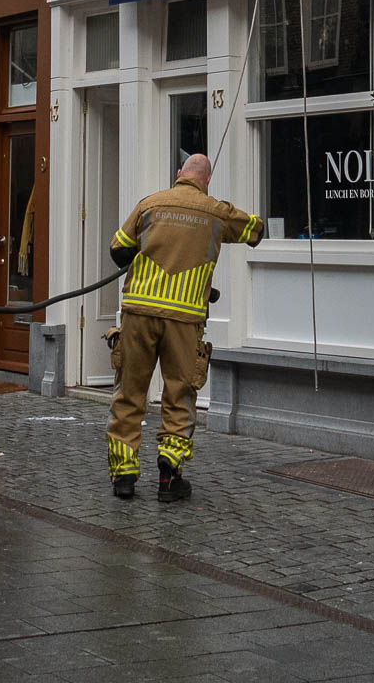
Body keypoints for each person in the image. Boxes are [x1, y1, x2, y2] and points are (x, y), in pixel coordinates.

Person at [104, 153, 262, 502]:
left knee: (130, 393)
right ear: (206, 180)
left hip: (139, 314)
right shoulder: (216, 211)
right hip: (185, 320)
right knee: (179, 395)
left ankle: (124, 478)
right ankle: (169, 478)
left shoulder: (150, 204)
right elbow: (256, 230)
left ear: (179, 175)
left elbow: (118, 250)